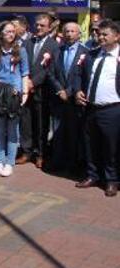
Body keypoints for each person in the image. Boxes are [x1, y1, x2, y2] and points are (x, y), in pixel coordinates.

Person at [75, 19, 120, 197]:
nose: (100, 37)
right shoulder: (92, 54)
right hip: (91, 108)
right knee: (90, 144)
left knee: (111, 147)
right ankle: (92, 175)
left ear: (116, 36)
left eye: (105, 34)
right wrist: (78, 90)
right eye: (99, 34)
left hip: (112, 109)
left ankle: (112, 180)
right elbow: (78, 74)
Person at [0, 21, 30, 177]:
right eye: (7, 31)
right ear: (1, 34)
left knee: (12, 131)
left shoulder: (21, 51)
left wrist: (24, 93)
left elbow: (24, 73)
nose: (11, 34)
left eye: (13, 31)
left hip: (15, 96)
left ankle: (10, 162)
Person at [17, 14, 60, 169]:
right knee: (26, 123)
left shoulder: (54, 45)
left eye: (42, 25)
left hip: (42, 92)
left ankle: (41, 154)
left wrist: (33, 82)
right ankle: (27, 151)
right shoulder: (28, 43)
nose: (39, 28)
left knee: (41, 124)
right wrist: (25, 81)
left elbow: (49, 69)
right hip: (26, 90)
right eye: (37, 25)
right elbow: (22, 63)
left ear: (49, 28)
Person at [46, 22, 89, 173]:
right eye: (66, 31)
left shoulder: (86, 52)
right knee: (57, 133)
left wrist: (69, 91)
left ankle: (72, 164)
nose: (69, 34)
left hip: (74, 101)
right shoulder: (57, 51)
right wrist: (60, 90)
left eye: (72, 31)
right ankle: (57, 162)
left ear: (79, 34)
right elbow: (50, 73)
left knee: (73, 133)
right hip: (58, 99)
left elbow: (83, 77)